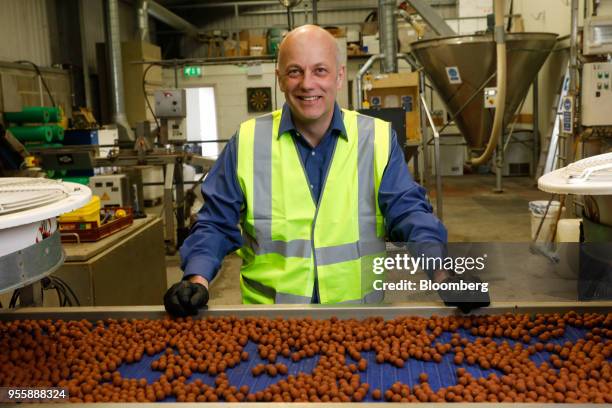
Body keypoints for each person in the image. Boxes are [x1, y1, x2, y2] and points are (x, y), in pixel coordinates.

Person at [164, 25, 488, 316]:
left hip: (359, 320)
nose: (307, 84)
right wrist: (198, 278)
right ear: (279, 78)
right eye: (295, 71)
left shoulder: (374, 138)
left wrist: (443, 272)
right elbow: (215, 223)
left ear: (338, 75)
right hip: (272, 324)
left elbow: (408, 212)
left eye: (320, 70)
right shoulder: (248, 141)